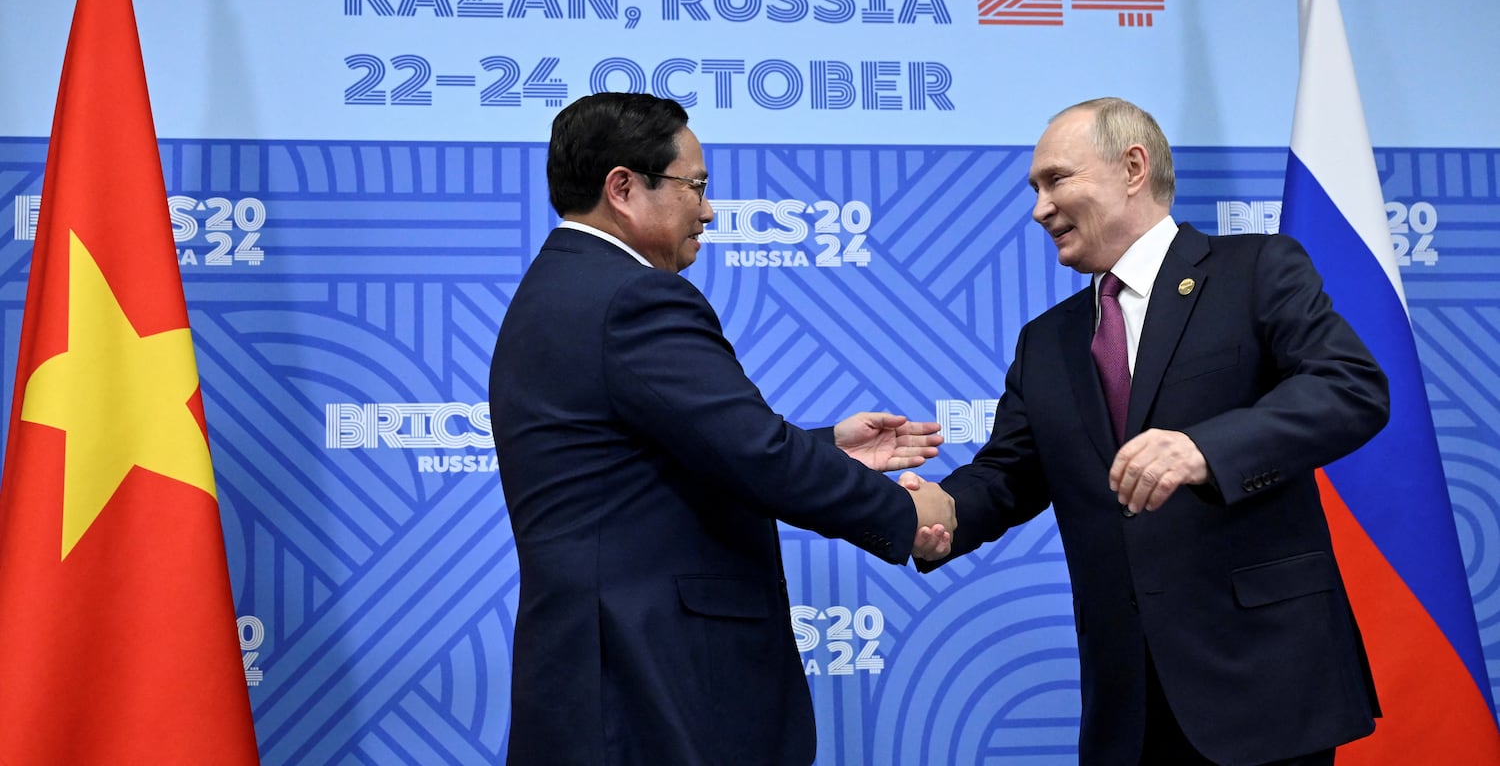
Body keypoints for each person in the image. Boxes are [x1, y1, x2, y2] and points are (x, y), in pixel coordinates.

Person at [904, 97, 1388, 765]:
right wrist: (933, 510)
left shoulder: (1256, 271)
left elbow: (1349, 389)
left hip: (1263, 684)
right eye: (1034, 189)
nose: (1039, 209)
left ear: (1133, 167)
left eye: (1056, 180)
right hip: (1127, 703)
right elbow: (1009, 476)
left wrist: (1204, 448)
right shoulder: (1047, 341)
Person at [489, 91, 956, 766]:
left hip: (593, 673)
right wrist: (905, 515)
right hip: (651, 679)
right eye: (695, 187)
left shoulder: (555, 290)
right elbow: (754, 453)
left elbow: (668, 452)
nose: (707, 210)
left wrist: (828, 449)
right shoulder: (634, 297)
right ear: (623, 188)